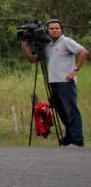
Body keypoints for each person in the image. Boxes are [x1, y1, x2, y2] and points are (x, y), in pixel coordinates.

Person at [21, 19, 87, 147]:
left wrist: (75, 71)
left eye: (57, 28)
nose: (55, 30)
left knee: (71, 111)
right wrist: (26, 46)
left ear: (61, 29)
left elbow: (83, 52)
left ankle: (77, 140)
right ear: (47, 30)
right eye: (52, 28)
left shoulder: (66, 41)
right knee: (61, 111)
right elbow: (34, 59)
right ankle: (69, 138)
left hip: (65, 82)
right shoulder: (47, 45)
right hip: (54, 82)